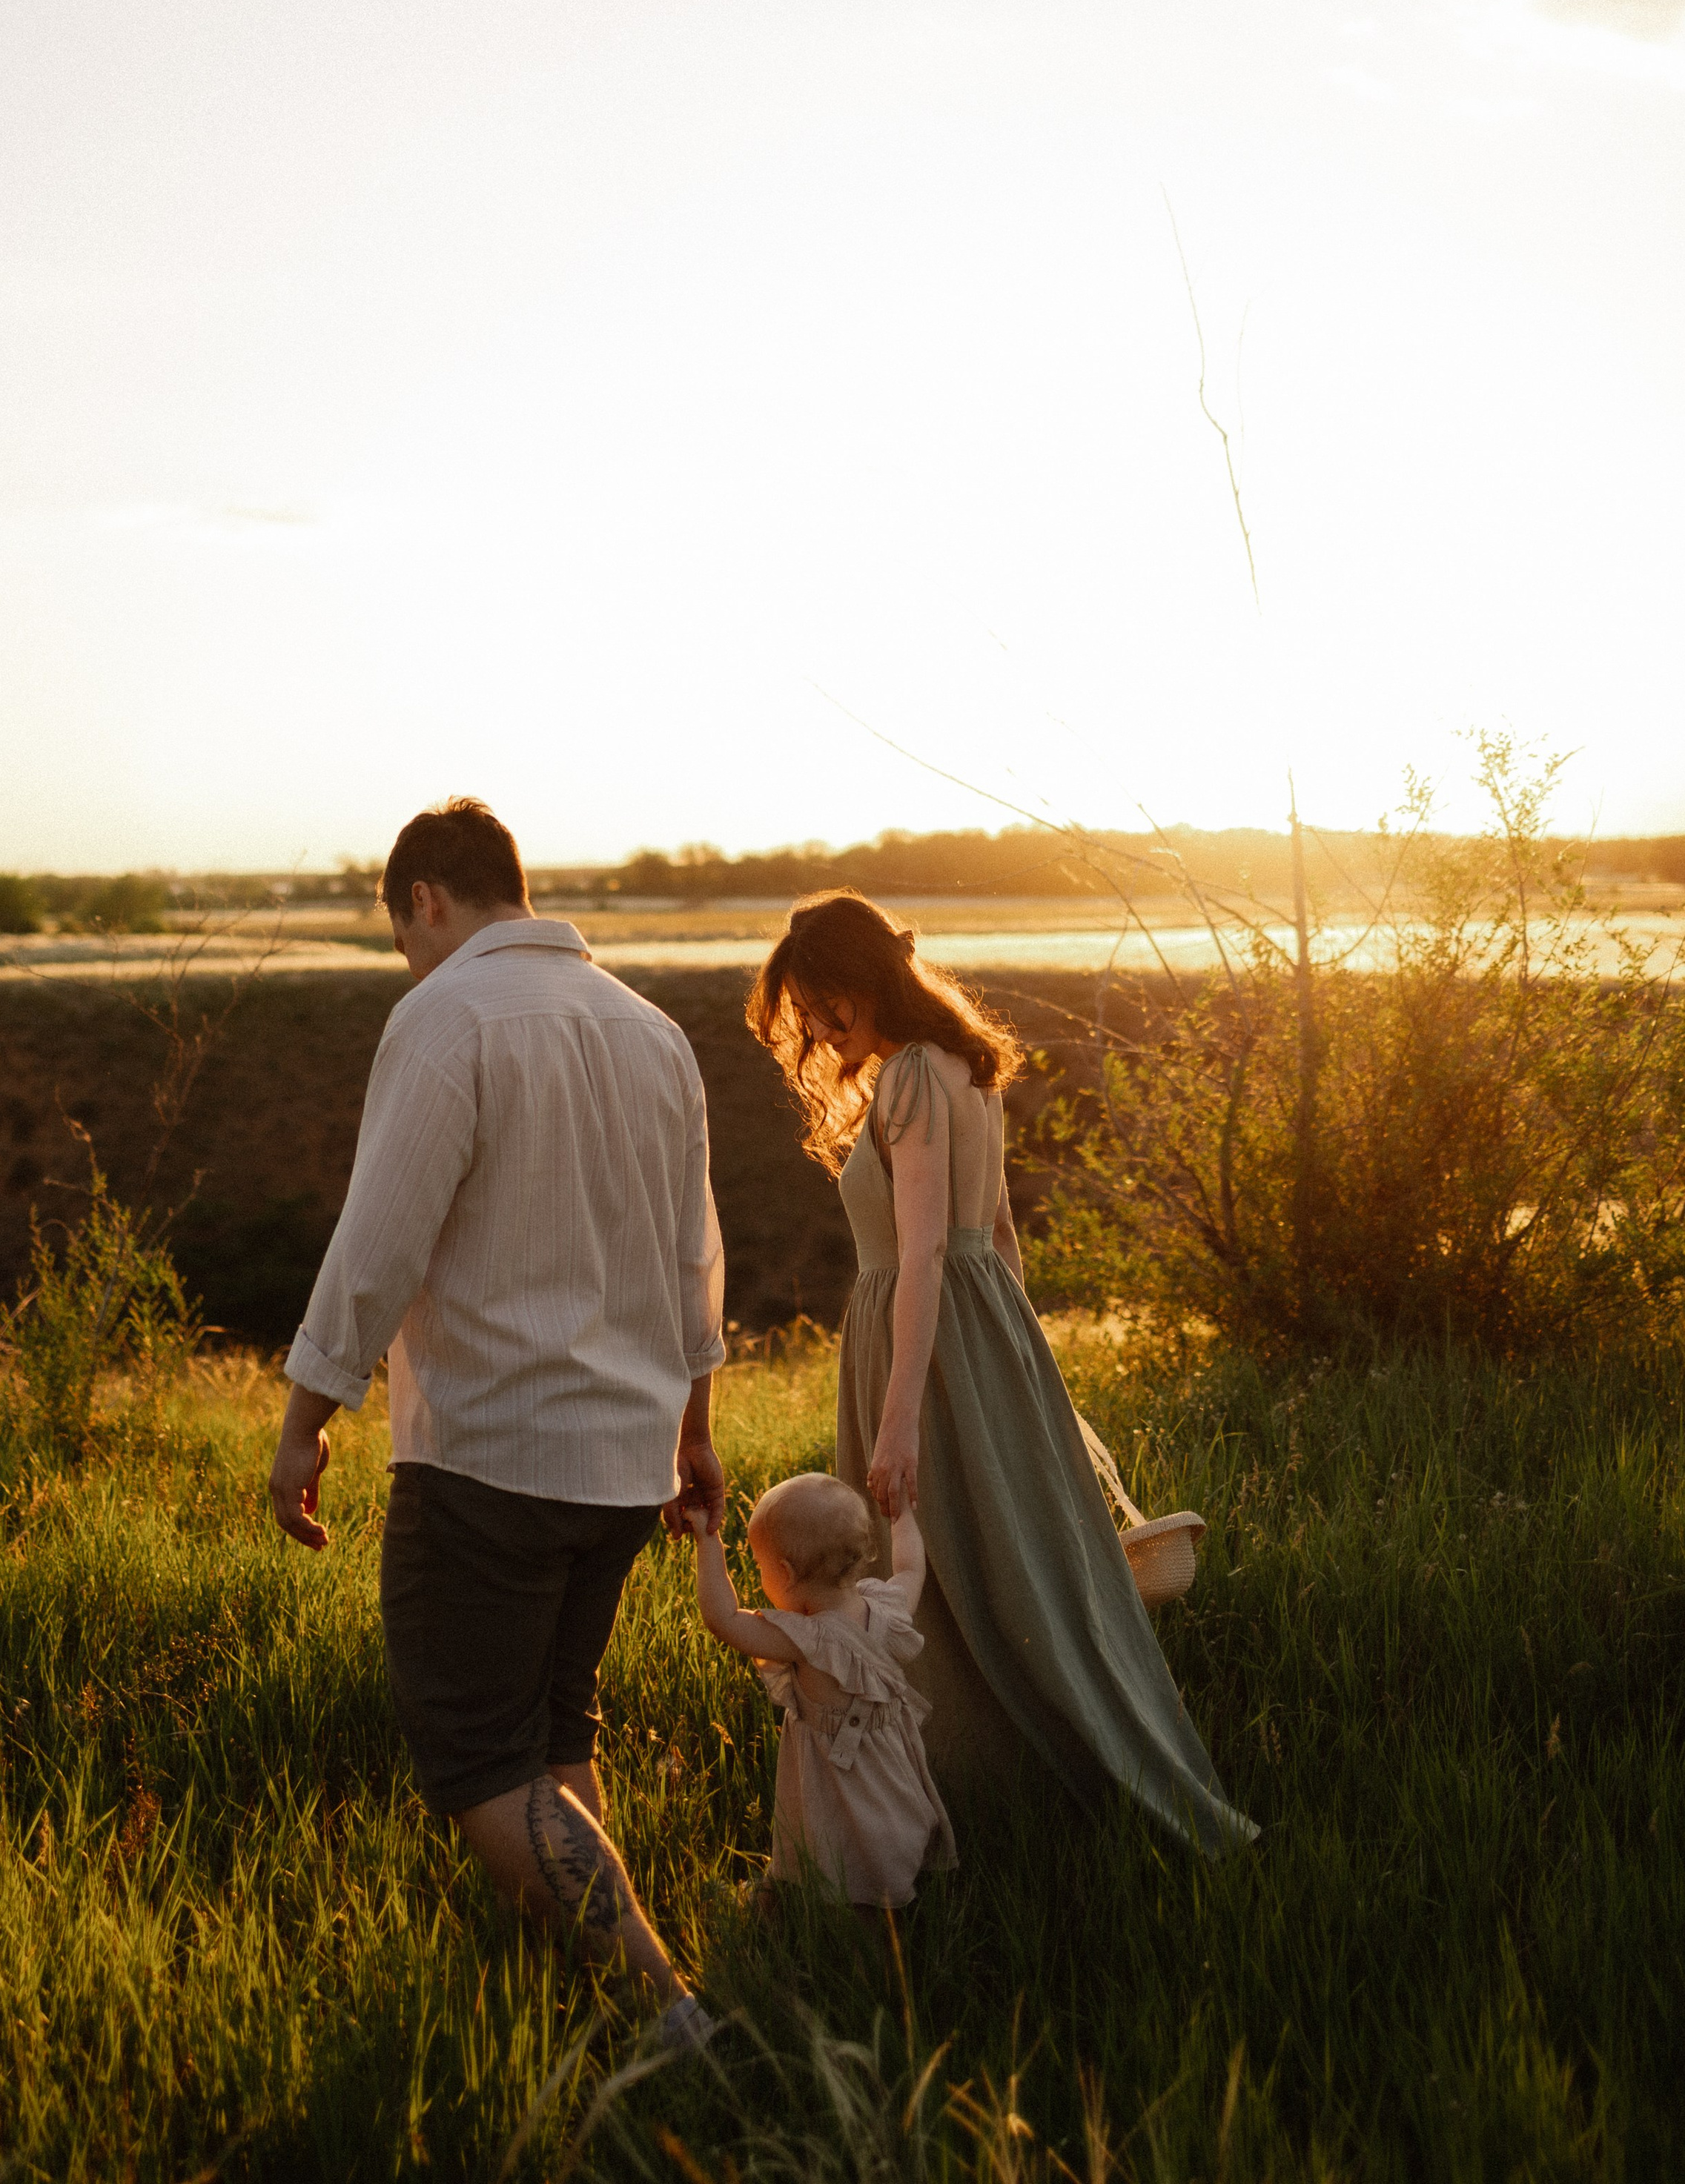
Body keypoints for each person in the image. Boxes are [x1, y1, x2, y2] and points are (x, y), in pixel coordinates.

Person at [268, 797, 726, 2045]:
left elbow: (378, 1244)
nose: (409, 962)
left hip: (490, 1457)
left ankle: (670, 2015)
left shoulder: (448, 1016)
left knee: (476, 1760)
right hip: (623, 1464)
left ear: (426, 899)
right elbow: (695, 1257)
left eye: (402, 937)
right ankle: (606, 2013)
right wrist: (693, 1427)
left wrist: (307, 1417)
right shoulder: (652, 1032)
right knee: (554, 1740)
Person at [747, 891, 1257, 1859]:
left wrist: (901, 1418)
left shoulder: (911, 1078)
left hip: (924, 1347)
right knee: (997, 1563)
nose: (814, 1027)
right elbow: (1002, 1241)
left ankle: (947, 1805)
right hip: (973, 1338)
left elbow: (927, 1252)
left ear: (865, 980)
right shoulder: (963, 1069)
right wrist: (1019, 1371)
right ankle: (987, 1794)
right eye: (802, 1011)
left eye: (821, 1002)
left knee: (937, 1576)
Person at [686, 1471, 956, 1909]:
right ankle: (877, 1902)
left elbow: (724, 1619)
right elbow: (910, 1567)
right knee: (883, 1836)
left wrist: (707, 1540)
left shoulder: (806, 1640)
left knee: (825, 1837)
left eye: (759, 1565)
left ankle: (813, 1909)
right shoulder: (889, 1609)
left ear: (786, 1573)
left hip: (832, 1773)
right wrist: (902, 1512)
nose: (758, 1574)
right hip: (890, 1764)